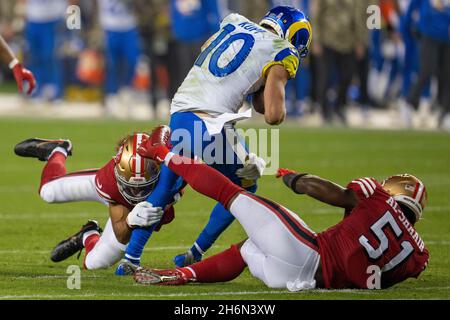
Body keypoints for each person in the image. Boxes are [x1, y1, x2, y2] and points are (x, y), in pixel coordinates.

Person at [118, 6, 313, 274]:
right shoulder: (283, 50)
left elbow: (210, 53)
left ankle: (183, 255)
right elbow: (273, 116)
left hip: (188, 107)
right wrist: (275, 80)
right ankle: (136, 258)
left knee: (237, 182)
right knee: (175, 183)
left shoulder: (235, 21)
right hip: (208, 116)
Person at [132, 139, 429, 290]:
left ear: (396, 191)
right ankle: (181, 274)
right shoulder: (418, 256)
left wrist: (295, 179)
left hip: (306, 252)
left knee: (232, 192)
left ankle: (163, 153)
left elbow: (334, 194)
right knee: (248, 249)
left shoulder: (376, 195)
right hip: (306, 281)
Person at [13, 126, 180, 270]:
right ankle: (58, 150)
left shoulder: (170, 175)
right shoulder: (110, 182)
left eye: (142, 186)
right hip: (113, 195)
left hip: (140, 188)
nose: (136, 193)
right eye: (131, 186)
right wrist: (130, 221)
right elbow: (121, 231)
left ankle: (87, 234)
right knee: (48, 192)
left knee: (95, 263)